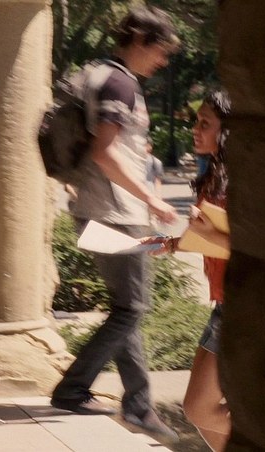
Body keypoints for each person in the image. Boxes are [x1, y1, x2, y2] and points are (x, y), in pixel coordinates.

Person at [48, 5, 180, 441]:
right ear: (140, 40)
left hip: (97, 209)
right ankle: (74, 389)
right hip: (115, 213)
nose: (163, 61)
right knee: (133, 308)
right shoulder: (119, 83)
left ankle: (138, 405)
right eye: (161, 51)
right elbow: (105, 153)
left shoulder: (98, 73)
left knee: (128, 307)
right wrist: (152, 199)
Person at [154, 90, 232, 451]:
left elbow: (255, 249)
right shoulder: (215, 173)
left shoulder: (241, 179)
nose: (195, 130)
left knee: (200, 408)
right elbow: (211, 238)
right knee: (197, 408)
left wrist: (207, 233)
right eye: (196, 122)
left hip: (241, 310)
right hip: (222, 304)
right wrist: (171, 244)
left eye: (205, 124)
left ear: (226, 131)